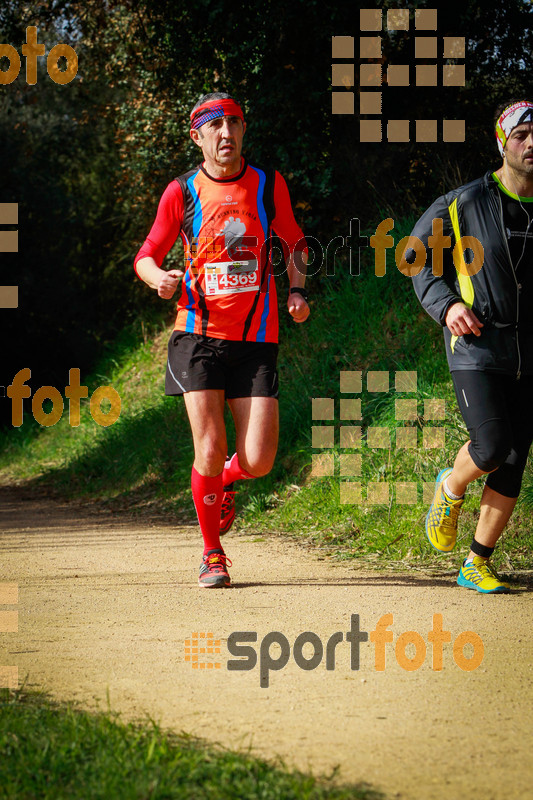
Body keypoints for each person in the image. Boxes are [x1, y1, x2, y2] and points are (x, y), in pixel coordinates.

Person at [134, 92, 309, 588]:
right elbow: (146, 253)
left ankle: (226, 481)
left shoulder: (268, 184)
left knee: (258, 460)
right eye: (215, 127)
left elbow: (295, 242)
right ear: (198, 137)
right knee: (208, 448)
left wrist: (296, 289)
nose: (226, 134)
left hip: (256, 336)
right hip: (197, 333)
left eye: (233, 125)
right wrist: (157, 279)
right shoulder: (182, 190)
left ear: (243, 130)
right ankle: (213, 552)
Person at [410, 99, 533, 594]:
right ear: (503, 142)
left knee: (515, 458)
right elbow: (416, 257)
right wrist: (445, 305)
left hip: (531, 351)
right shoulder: (464, 202)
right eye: (522, 134)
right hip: (477, 342)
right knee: (491, 445)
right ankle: (451, 485)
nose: (532, 143)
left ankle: (475, 563)